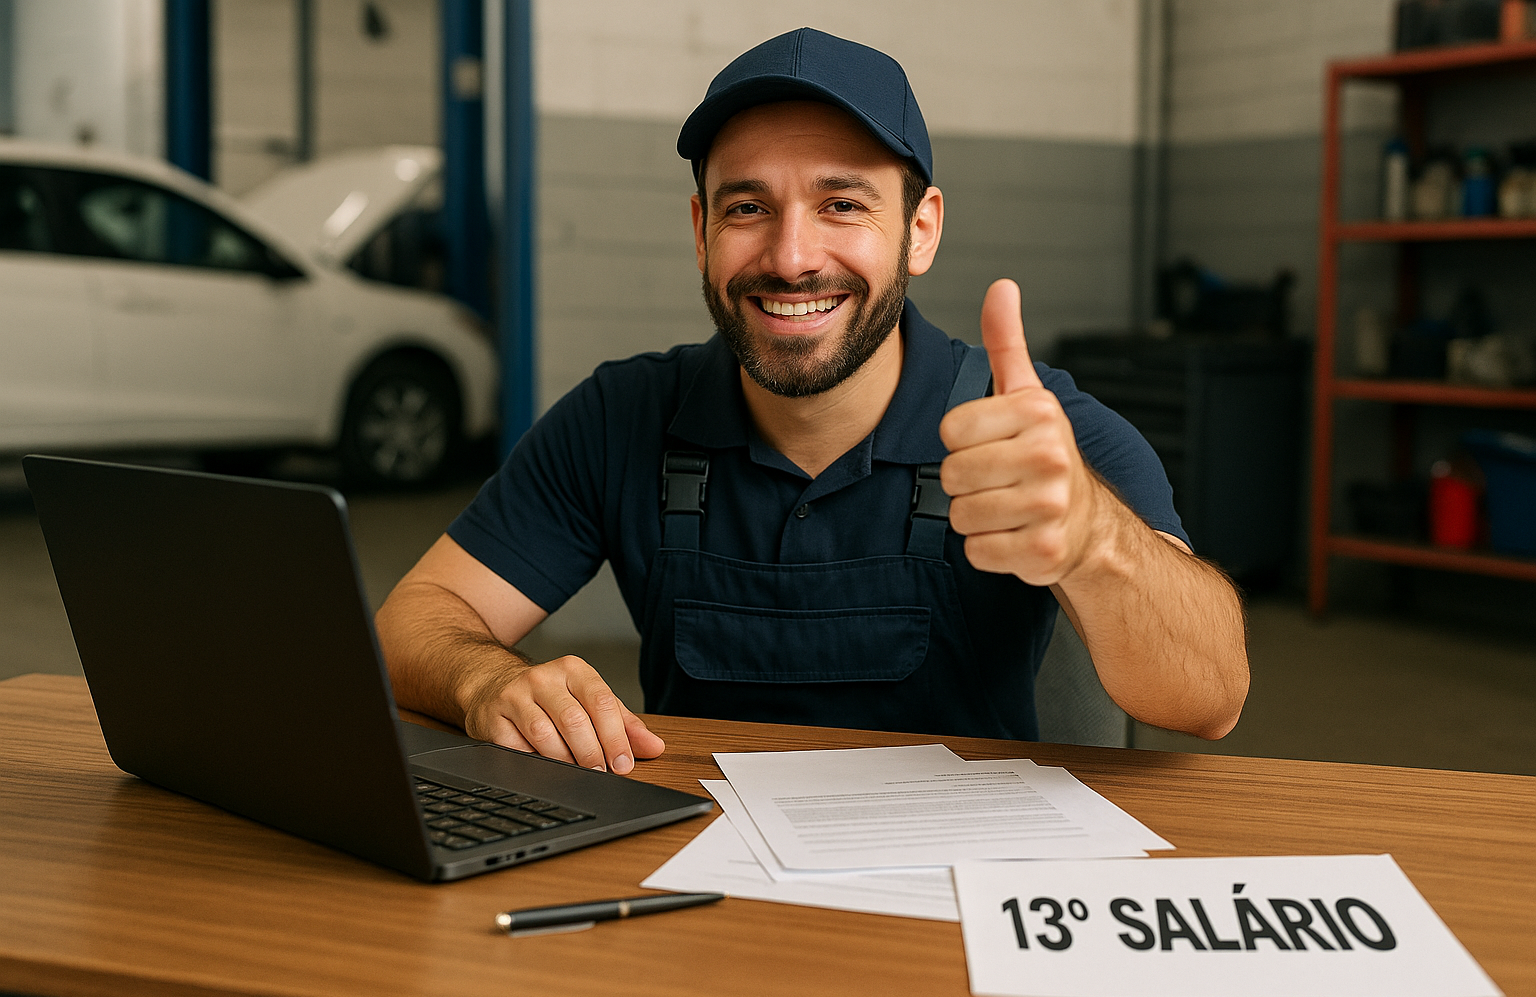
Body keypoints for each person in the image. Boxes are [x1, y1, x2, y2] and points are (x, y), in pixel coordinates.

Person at [376, 28, 1248, 774]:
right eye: (749, 205)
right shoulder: (623, 416)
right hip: (694, 881)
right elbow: (410, 623)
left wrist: (1094, 536)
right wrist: (482, 678)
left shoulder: (1040, 432)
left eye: (842, 203)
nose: (792, 257)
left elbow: (1211, 695)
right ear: (700, 232)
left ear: (920, 229)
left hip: (960, 898)